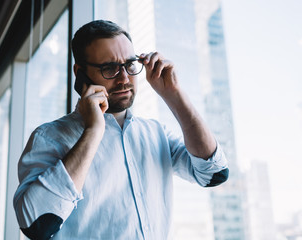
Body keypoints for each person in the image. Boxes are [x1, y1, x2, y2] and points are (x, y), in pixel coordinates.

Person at [13, 20, 229, 240]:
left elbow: (214, 173)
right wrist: (94, 131)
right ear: (80, 73)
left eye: (130, 65)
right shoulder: (49, 137)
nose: (125, 79)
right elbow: (35, 224)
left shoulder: (155, 133)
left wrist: (173, 94)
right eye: (110, 68)